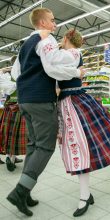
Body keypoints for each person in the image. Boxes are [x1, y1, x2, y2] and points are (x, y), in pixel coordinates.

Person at [7, 7, 84, 217]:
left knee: (33, 145)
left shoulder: (26, 44)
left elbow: (16, 73)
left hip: (25, 100)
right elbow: (53, 68)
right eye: (51, 20)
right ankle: (20, 191)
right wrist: (76, 68)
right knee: (45, 146)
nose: (54, 24)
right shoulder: (46, 39)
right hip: (41, 99)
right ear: (42, 22)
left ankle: (26, 191)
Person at [45, 28, 110, 217]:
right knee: (78, 147)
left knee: (79, 146)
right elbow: (61, 72)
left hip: (74, 103)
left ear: (67, 37)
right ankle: (86, 194)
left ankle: (84, 196)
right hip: (69, 103)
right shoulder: (67, 54)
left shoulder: (73, 52)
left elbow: (57, 71)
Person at [0, 56, 26, 172]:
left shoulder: (7, 77)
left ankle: (11, 158)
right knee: (15, 136)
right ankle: (10, 158)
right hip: (19, 108)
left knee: (8, 134)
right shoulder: (23, 76)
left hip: (9, 108)